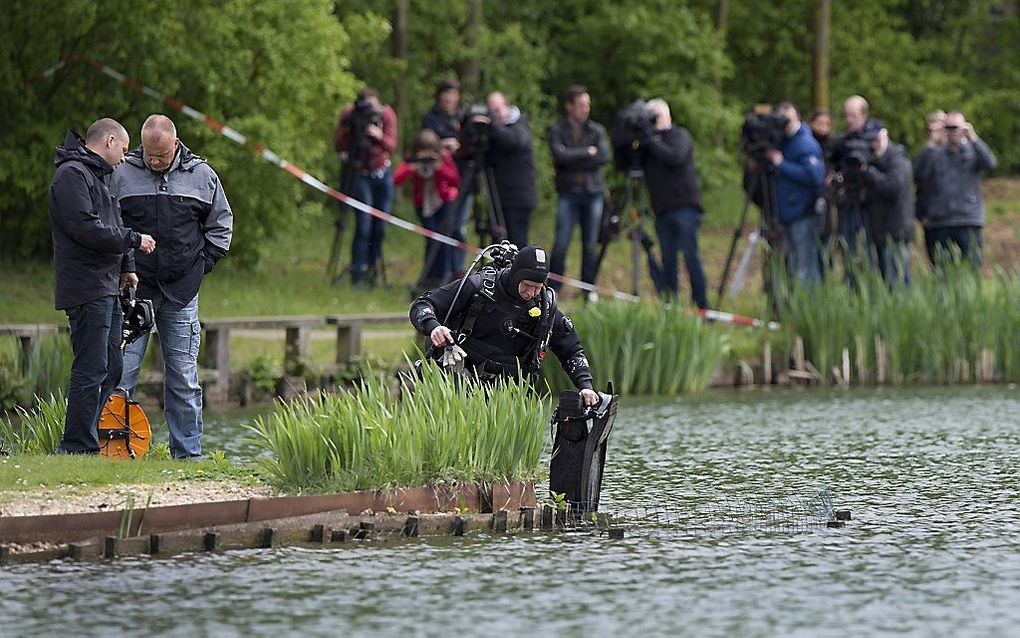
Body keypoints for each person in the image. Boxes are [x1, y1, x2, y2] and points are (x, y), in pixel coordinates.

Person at [112, 114, 233, 459]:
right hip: (134, 292)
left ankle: (188, 454)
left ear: (175, 145)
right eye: (149, 154)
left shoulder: (202, 175)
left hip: (182, 293)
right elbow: (108, 224)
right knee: (122, 373)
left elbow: (221, 224)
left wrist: (203, 265)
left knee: (183, 376)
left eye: (162, 155)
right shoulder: (122, 173)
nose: (154, 161)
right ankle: (114, 449)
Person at [49, 119, 156, 454]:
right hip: (85, 286)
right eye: (123, 149)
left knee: (111, 366)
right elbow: (86, 229)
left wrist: (128, 266)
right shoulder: (72, 176)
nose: (125, 158)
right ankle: (77, 446)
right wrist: (134, 240)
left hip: (107, 285)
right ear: (109, 141)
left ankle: (86, 439)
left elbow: (114, 223)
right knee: (91, 366)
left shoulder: (102, 177)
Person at [409, 245, 599, 406]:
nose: (531, 293)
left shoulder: (544, 307)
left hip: (507, 398)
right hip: (460, 382)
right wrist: (434, 327)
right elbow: (423, 305)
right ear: (516, 275)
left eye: (538, 287)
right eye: (527, 285)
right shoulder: (479, 288)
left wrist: (586, 387)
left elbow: (572, 350)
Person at [639, 98, 708, 309]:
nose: (654, 122)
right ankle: (672, 305)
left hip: (685, 206)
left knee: (690, 256)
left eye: (656, 116)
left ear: (667, 116)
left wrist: (651, 139)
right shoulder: (648, 144)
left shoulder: (680, 135)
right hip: (662, 210)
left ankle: (702, 305)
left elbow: (675, 157)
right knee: (668, 259)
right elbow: (628, 162)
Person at [548, 85, 610, 300]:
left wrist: (573, 155)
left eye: (587, 105)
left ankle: (588, 287)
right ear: (569, 106)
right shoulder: (558, 130)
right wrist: (587, 153)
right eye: (581, 105)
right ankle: (554, 286)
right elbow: (559, 156)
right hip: (568, 193)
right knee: (562, 241)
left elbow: (603, 156)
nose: (585, 109)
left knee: (590, 243)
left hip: (593, 193)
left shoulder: (596, 130)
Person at [916, 111, 997, 266]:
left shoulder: (973, 151)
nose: (952, 132)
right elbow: (919, 175)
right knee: (942, 273)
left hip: (968, 219)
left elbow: (990, 164)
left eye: (955, 127)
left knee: (972, 270)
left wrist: (974, 138)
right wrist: (932, 143)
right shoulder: (934, 153)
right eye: (948, 127)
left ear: (964, 128)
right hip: (940, 221)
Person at [334, 87, 398, 286]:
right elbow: (338, 144)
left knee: (380, 226)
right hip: (360, 173)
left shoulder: (387, 115)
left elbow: (391, 144)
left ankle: (373, 269)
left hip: (382, 173)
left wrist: (377, 135)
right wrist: (350, 127)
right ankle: (358, 272)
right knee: (364, 224)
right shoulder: (350, 115)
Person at [394, 130, 461, 289]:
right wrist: (413, 168)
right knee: (431, 239)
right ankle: (430, 278)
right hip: (423, 204)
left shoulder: (443, 157)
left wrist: (439, 168)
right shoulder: (413, 159)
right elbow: (396, 178)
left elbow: (456, 179)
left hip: (444, 201)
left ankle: (445, 278)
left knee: (444, 239)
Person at [768, 101, 825, 284]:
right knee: (793, 264)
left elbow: (815, 176)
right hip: (786, 212)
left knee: (805, 266)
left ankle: (809, 306)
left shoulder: (805, 143)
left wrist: (781, 165)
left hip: (802, 213)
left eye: (789, 120)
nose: (786, 124)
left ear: (797, 118)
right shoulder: (781, 142)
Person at [484, 91, 537, 249]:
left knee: (516, 245)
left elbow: (512, 141)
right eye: (491, 110)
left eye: (497, 109)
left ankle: (517, 274)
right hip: (498, 198)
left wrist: (491, 125)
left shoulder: (519, 125)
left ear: (507, 106)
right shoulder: (494, 131)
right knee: (497, 247)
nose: (495, 114)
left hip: (518, 199)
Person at [862, 126, 914, 286]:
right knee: (887, 281)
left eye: (876, 140)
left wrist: (869, 172)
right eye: (870, 141)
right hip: (879, 230)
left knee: (897, 281)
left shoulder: (898, 160)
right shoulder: (874, 160)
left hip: (896, 231)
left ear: (885, 135)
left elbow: (893, 187)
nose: (874, 144)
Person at [914, 110, 946, 256]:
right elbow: (919, 178)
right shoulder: (926, 154)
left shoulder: (957, 151)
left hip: (955, 217)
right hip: (932, 218)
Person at [422, 78, 462, 155]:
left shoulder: (463, 117)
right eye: (446, 93)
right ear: (439, 95)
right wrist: (442, 144)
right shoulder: (430, 118)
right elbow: (425, 143)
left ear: (459, 97)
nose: (449, 98)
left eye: (453, 94)